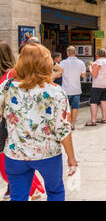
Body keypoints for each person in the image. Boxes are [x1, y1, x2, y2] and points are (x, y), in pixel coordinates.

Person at [0, 43, 77, 201]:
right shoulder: (55, 91)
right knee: (55, 191)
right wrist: (71, 157)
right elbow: (63, 129)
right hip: (47, 154)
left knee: (18, 196)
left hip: (15, 154)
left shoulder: (6, 87)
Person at [0, 40, 45, 200]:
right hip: (10, 127)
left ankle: (33, 189)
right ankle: (19, 188)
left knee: (9, 163)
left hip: (12, 127)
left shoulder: (12, 74)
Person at [60, 46, 87, 130]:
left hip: (65, 89)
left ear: (67, 53)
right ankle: (73, 124)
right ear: (75, 52)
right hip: (76, 89)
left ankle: (66, 123)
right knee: (75, 107)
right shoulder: (81, 63)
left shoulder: (62, 63)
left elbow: (59, 74)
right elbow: (83, 75)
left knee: (65, 108)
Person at [86, 48, 106, 126]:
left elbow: (94, 74)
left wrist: (90, 67)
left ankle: (93, 120)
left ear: (97, 54)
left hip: (98, 84)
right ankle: (104, 118)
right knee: (103, 100)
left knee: (93, 102)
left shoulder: (98, 62)